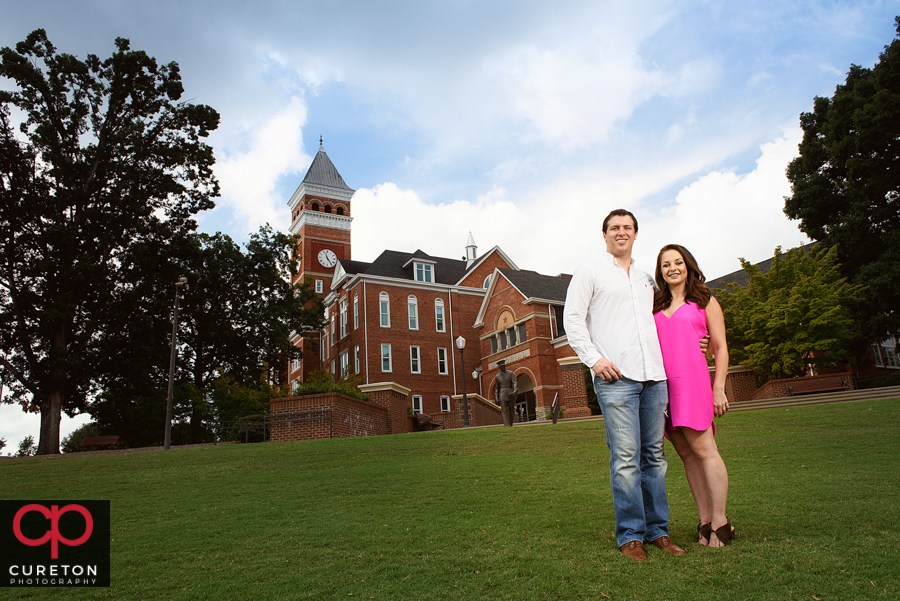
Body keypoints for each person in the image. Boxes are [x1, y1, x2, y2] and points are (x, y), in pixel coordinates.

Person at [564, 209, 689, 561]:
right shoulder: (590, 271)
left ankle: (658, 532)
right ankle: (631, 535)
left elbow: (664, 324)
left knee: (654, 456)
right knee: (625, 458)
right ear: (604, 235)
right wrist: (595, 359)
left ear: (636, 234)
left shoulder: (648, 279)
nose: (621, 232)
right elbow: (572, 319)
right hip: (616, 379)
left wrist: (698, 342)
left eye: (627, 228)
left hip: (654, 378)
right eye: (614, 228)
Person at [653, 244, 734, 547]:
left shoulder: (705, 301)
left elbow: (720, 347)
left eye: (677, 262)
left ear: (688, 265)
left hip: (692, 383)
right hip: (663, 388)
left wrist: (719, 387)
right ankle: (704, 520)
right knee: (686, 454)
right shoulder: (655, 305)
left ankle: (722, 521)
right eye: (665, 265)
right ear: (660, 271)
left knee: (705, 450)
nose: (672, 268)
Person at [494, 360, 518, 427]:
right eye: (501, 366)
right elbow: (496, 387)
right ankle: (506, 425)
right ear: (499, 367)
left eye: (503, 366)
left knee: (511, 410)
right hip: (502, 394)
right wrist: (496, 396)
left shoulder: (510, 373)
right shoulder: (497, 376)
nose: (503, 367)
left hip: (510, 392)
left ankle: (510, 424)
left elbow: (515, 382)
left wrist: (515, 390)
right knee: (504, 411)